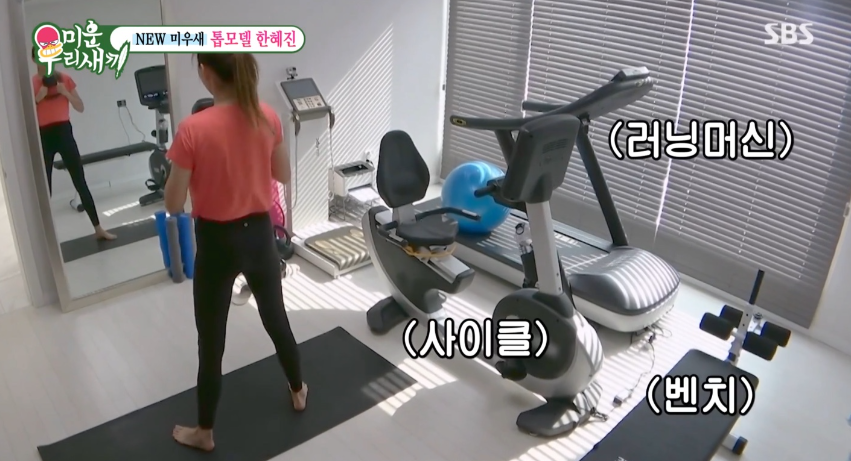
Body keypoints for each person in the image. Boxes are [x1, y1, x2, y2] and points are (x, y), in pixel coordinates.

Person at [163, 53, 306, 452]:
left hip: (217, 241)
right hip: (259, 235)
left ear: (206, 73)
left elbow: (173, 203)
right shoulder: (267, 116)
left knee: (211, 342)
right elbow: (282, 175)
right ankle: (298, 389)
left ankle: (204, 432)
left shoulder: (192, 129)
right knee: (276, 319)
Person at [31, 46, 115, 240]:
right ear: (35, 59)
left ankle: (98, 229)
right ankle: (46, 238)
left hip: (64, 133)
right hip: (43, 136)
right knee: (45, 188)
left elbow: (80, 107)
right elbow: (25, 115)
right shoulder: (32, 83)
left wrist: (66, 93)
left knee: (80, 182)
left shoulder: (65, 79)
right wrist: (37, 98)